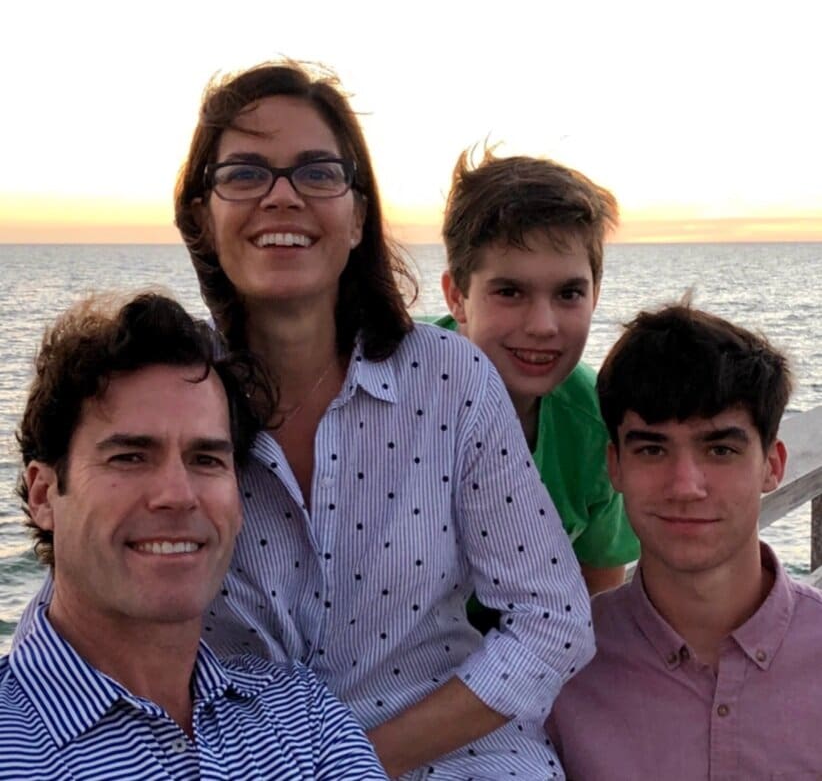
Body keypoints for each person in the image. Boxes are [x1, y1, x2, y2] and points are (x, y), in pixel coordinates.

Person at [172, 60, 594, 779]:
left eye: (317, 172)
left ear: (358, 215)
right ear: (202, 218)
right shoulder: (166, 391)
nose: (282, 197)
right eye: (245, 174)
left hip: (455, 760)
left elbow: (552, 619)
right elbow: (84, 614)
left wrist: (355, 765)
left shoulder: (450, 379)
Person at [2, 292, 388, 779]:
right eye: (130, 456)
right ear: (43, 495)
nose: (178, 495)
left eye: (206, 459)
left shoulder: (304, 718)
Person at [546, 302, 822, 779]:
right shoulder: (559, 669)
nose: (685, 485)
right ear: (614, 466)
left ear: (772, 465)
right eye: (652, 449)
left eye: (720, 449)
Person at [437, 149, 638, 602]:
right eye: (509, 291)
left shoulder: (594, 424)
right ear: (457, 297)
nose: (543, 325)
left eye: (569, 293)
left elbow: (596, 594)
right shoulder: (387, 384)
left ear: (596, 294)